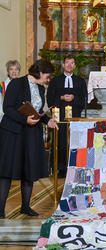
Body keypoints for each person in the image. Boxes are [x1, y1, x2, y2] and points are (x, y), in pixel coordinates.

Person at [0, 59, 59, 219]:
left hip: (31, 132)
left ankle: (25, 206)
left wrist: (48, 120)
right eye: (47, 76)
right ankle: (0, 209)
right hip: (13, 132)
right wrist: (23, 120)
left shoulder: (40, 87)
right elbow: (7, 108)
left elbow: (38, 110)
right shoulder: (17, 83)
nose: (48, 80)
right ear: (39, 72)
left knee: (29, 169)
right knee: (6, 171)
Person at [47, 54, 87, 178]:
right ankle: (60, 168)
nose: (69, 65)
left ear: (74, 66)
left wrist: (74, 98)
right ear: (63, 65)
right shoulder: (55, 81)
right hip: (59, 116)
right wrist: (61, 98)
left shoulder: (80, 81)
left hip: (75, 115)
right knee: (60, 140)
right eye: (67, 63)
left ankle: (75, 167)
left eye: (72, 63)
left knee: (75, 140)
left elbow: (84, 99)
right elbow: (49, 99)